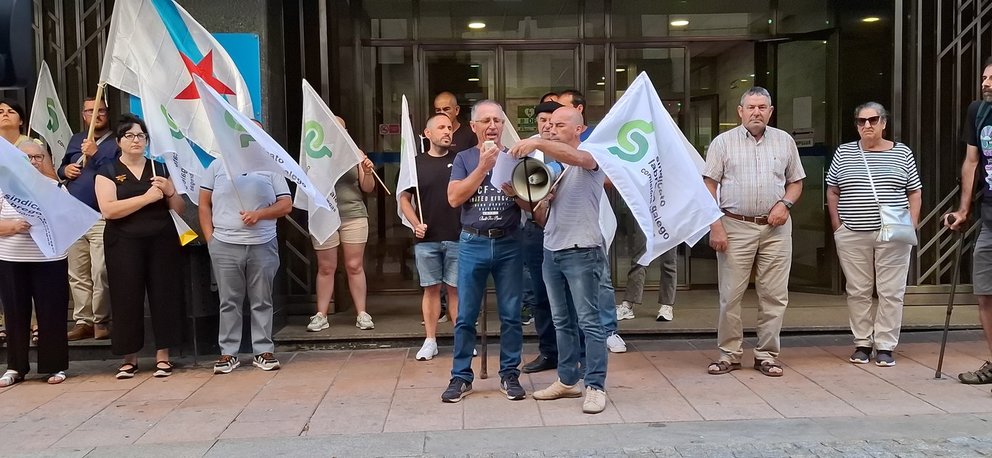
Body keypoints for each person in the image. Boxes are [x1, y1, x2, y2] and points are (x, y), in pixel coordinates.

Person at [511, 106, 611, 414]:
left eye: (559, 124)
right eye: (548, 124)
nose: (551, 128)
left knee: (589, 322)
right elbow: (541, 218)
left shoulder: (592, 155)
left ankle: (595, 386)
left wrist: (538, 143)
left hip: (583, 250)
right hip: (552, 250)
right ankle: (568, 380)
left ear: (579, 129)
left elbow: (583, 159)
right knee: (561, 321)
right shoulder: (555, 168)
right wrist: (525, 199)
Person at [703, 87, 805, 378]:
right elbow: (708, 185)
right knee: (730, 296)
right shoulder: (722, 143)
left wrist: (785, 205)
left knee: (774, 295)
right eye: (751, 107)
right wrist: (716, 225)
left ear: (771, 111)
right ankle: (729, 354)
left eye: (762, 107)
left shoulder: (784, 141)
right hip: (734, 225)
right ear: (740, 111)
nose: (756, 112)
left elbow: (795, 183)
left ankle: (767, 355)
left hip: (776, 228)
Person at [440, 100, 525, 403]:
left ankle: (510, 374)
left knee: (512, 314)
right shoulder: (463, 158)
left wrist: (517, 194)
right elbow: (454, 198)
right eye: (486, 120)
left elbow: (532, 205)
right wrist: (483, 168)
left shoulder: (516, 157)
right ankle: (461, 377)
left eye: (498, 120)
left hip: (509, 242)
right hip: (473, 242)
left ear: (504, 125)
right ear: (474, 126)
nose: (492, 126)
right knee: (465, 315)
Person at [827, 102, 921, 367]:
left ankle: (886, 345)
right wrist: (837, 224)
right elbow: (832, 190)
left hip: (894, 232)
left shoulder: (902, 153)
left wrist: (912, 223)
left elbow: (914, 191)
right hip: (852, 231)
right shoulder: (844, 153)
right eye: (861, 121)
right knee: (858, 290)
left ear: (884, 123)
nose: (866, 125)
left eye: (872, 120)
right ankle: (862, 343)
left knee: (891, 291)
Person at [94, 114, 185, 379]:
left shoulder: (160, 169)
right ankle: (129, 358)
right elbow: (109, 210)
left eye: (141, 136)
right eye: (130, 136)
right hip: (123, 242)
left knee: (163, 295)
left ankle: (163, 356)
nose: (137, 140)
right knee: (126, 297)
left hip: (161, 240)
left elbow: (178, 209)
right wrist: (146, 198)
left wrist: (169, 191)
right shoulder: (108, 171)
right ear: (119, 141)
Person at [200, 153, 292, 374]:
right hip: (224, 243)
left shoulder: (271, 167)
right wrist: (210, 240)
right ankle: (228, 353)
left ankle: (263, 350)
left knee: (262, 299)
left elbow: (286, 204)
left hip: (263, 243)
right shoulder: (216, 165)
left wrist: (259, 215)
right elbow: (204, 205)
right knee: (229, 300)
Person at [0, 140, 70, 387]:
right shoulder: (4, 188)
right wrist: (12, 227)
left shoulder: (55, 188)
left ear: (45, 160)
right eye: (26, 157)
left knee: (52, 313)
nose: (32, 162)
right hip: (12, 259)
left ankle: (55, 365)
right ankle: (15, 367)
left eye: (37, 157)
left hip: (49, 260)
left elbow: (68, 222)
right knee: (15, 313)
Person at [306, 117, 377, 333]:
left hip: (353, 214)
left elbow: (368, 188)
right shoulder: (313, 153)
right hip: (324, 214)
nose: (339, 131)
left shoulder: (355, 153)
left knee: (354, 266)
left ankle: (362, 313)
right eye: (334, 127)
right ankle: (321, 314)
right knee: (326, 267)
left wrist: (366, 171)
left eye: (342, 128)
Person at [946, 56, 992, 387]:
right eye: (984, 77)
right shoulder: (978, 111)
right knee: (985, 294)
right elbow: (971, 161)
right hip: (990, 216)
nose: (986, 83)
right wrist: (964, 209)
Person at [400, 113, 461, 361]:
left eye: (449, 127)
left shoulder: (461, 161)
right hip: (427, 239)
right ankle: (430, 340)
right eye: (441, 127)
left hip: (458, 236)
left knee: (457, 291)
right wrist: (415, 224)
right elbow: (403, 198)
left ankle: (462, 341)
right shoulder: (414, 165)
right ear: (428, 134)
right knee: (431, 290)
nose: (447, 131)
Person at [58, 97, 117, 341]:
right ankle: (83, 321)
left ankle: (101, 320)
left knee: (100, 270)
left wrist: (97, 155)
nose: (96, 115)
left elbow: (120, 172)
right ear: (84, 115)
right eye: (91, 111)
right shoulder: (75, 139)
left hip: (100, 215)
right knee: (77, 272)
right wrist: (65, 170)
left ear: (107, 113)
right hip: (74, 215)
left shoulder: (116, 141)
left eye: (100, 111)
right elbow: (61, 166)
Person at [516, 100, 562, 374]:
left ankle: (577, 354)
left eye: (553, 121)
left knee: (570, 297)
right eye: (543, 120)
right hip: (535, 231)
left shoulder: (573, 150)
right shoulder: (527, 152)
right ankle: (549, 353)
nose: (547, 125)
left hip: (569, 232)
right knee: (541, 296)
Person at [618, 244, 677, 322]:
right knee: (640, 259)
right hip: (647, 231)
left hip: (670, 232)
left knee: (669, 261)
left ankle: (667, 306)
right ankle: (628, 305)